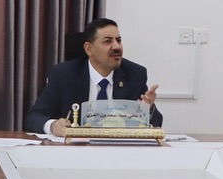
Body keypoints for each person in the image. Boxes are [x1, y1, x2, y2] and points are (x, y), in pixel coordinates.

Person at [24, 17, 162, 136]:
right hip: (76, 150)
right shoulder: (63, 75)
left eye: (118, 40)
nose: (117, 47)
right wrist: (53, 125)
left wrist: (148, 110)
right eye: (107, 41)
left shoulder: (135, 74)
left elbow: (156, 123)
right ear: (89, 49)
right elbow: (34, 118)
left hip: (118, 150)